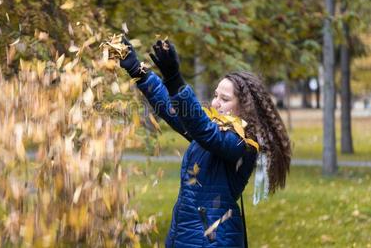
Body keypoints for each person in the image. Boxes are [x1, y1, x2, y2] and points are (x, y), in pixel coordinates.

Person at [120, 37, 292, 247]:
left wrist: (175, 79)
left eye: (225, 99)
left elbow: (205, 130)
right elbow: (174, 110)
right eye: (215, 95)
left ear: (245, 106)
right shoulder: (214, 128)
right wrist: (138, 71)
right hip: (186, 235)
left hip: (212, 240)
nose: (215, 103)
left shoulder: (244, 142)